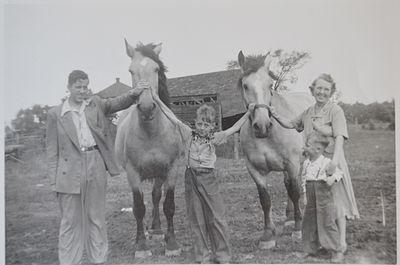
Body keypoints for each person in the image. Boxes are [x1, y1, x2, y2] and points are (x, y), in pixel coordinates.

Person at [46, 70, 145, 265]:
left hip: (95, 163)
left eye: (85, 87)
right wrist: (53, 181)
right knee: (70, 221)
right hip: (68, 170)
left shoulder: (95, 104)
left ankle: (98, 260)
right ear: (68, 88)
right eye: (78, 87)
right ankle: (69, 261)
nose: (83, 91)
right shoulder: (55, 114)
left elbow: (117, 102)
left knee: (96, 218)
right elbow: (52, 150)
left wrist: (135, 92)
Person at [150, 86, 254, 263]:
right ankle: (202, 255)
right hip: (191, 178)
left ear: (212, 125)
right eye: (200, 123)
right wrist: (157, 100)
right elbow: (172, 117)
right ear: (195, 123)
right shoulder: (188, 134)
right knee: (196, 217)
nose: (203, 127)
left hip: (208, 178)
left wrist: (249, 112)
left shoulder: (216, 137)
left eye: (207, 124)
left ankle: (222, 255)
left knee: (216, 217)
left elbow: (236, 127)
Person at [270, 73, 359, 262]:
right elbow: (291, 124)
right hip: (313, 164)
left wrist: (334, 162)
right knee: (316, 205)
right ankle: (316, 244)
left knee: (337, 204)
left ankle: (340, 244)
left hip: (331, 161)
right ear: (313, 90)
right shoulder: (308, 112)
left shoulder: (335, 111)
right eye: (319, 88)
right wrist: (275, 115)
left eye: (326, 89)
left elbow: (340, 137)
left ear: (331, 92)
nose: (322, 92)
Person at [301, 131, 343, 262]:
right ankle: (310, 249)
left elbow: (339, 173)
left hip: (323, 195)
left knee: (327, 221)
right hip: (310, 194)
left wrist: (333, 179)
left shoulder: (326, 162)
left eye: (308, 145)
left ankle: (336, 250)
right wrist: (304, 195)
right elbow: (303, 179)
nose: (304, 147)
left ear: (318, 149)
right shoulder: (306, 163)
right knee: (309, 222)